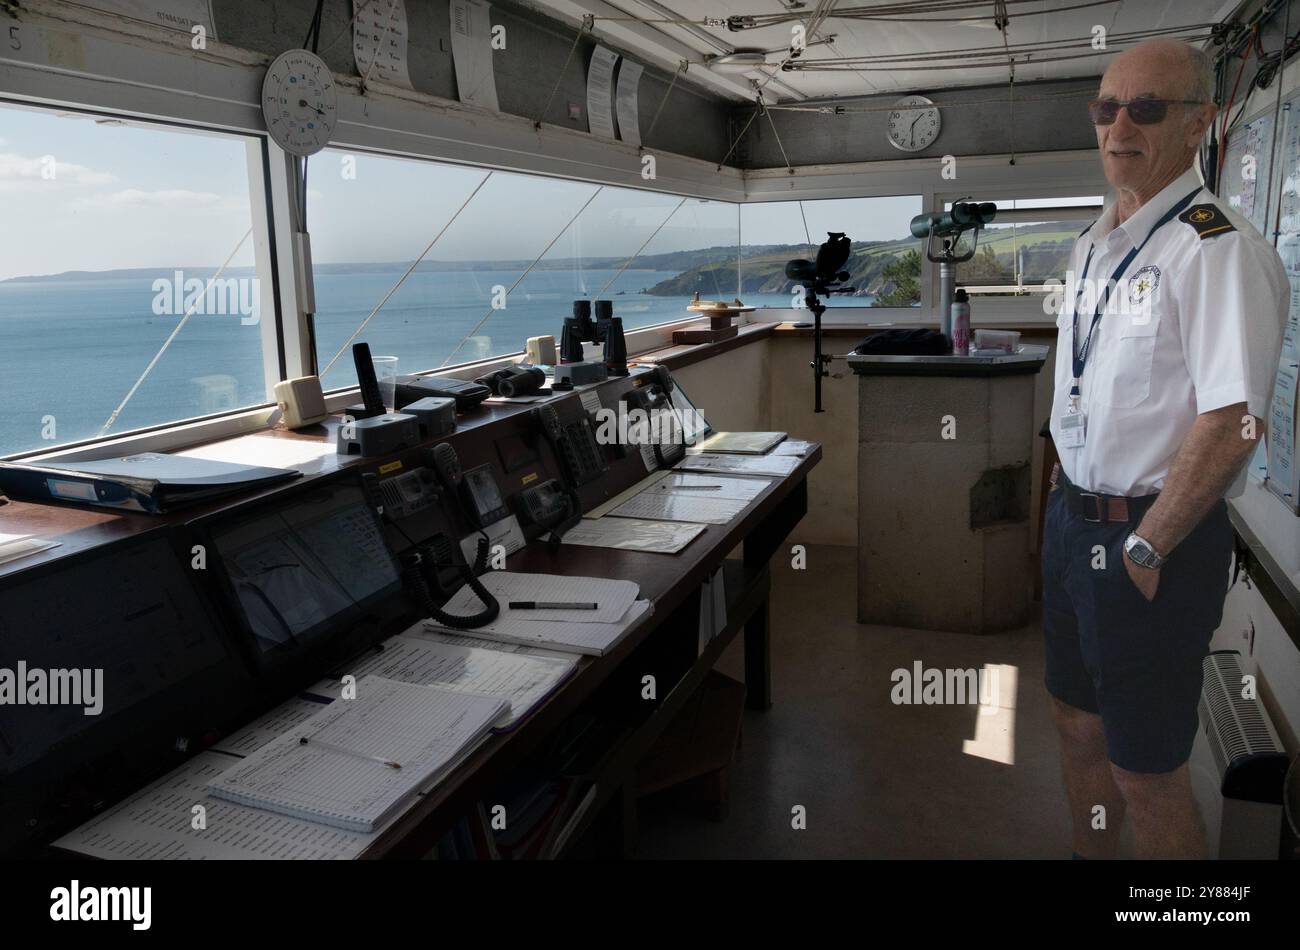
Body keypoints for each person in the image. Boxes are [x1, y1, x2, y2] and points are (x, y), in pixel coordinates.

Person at [1042, 39, 1288, 859]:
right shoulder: (1094, 243)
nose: (1120, 126)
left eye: (1147, 108)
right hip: (1073, 525)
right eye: (1106, 108)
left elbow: (1232, 423)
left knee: (1147, 771)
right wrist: (1059, 491)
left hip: (1152, 539)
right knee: (1076, 726)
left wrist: (1147, 546)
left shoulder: (1215, 248)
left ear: (1200, 124)